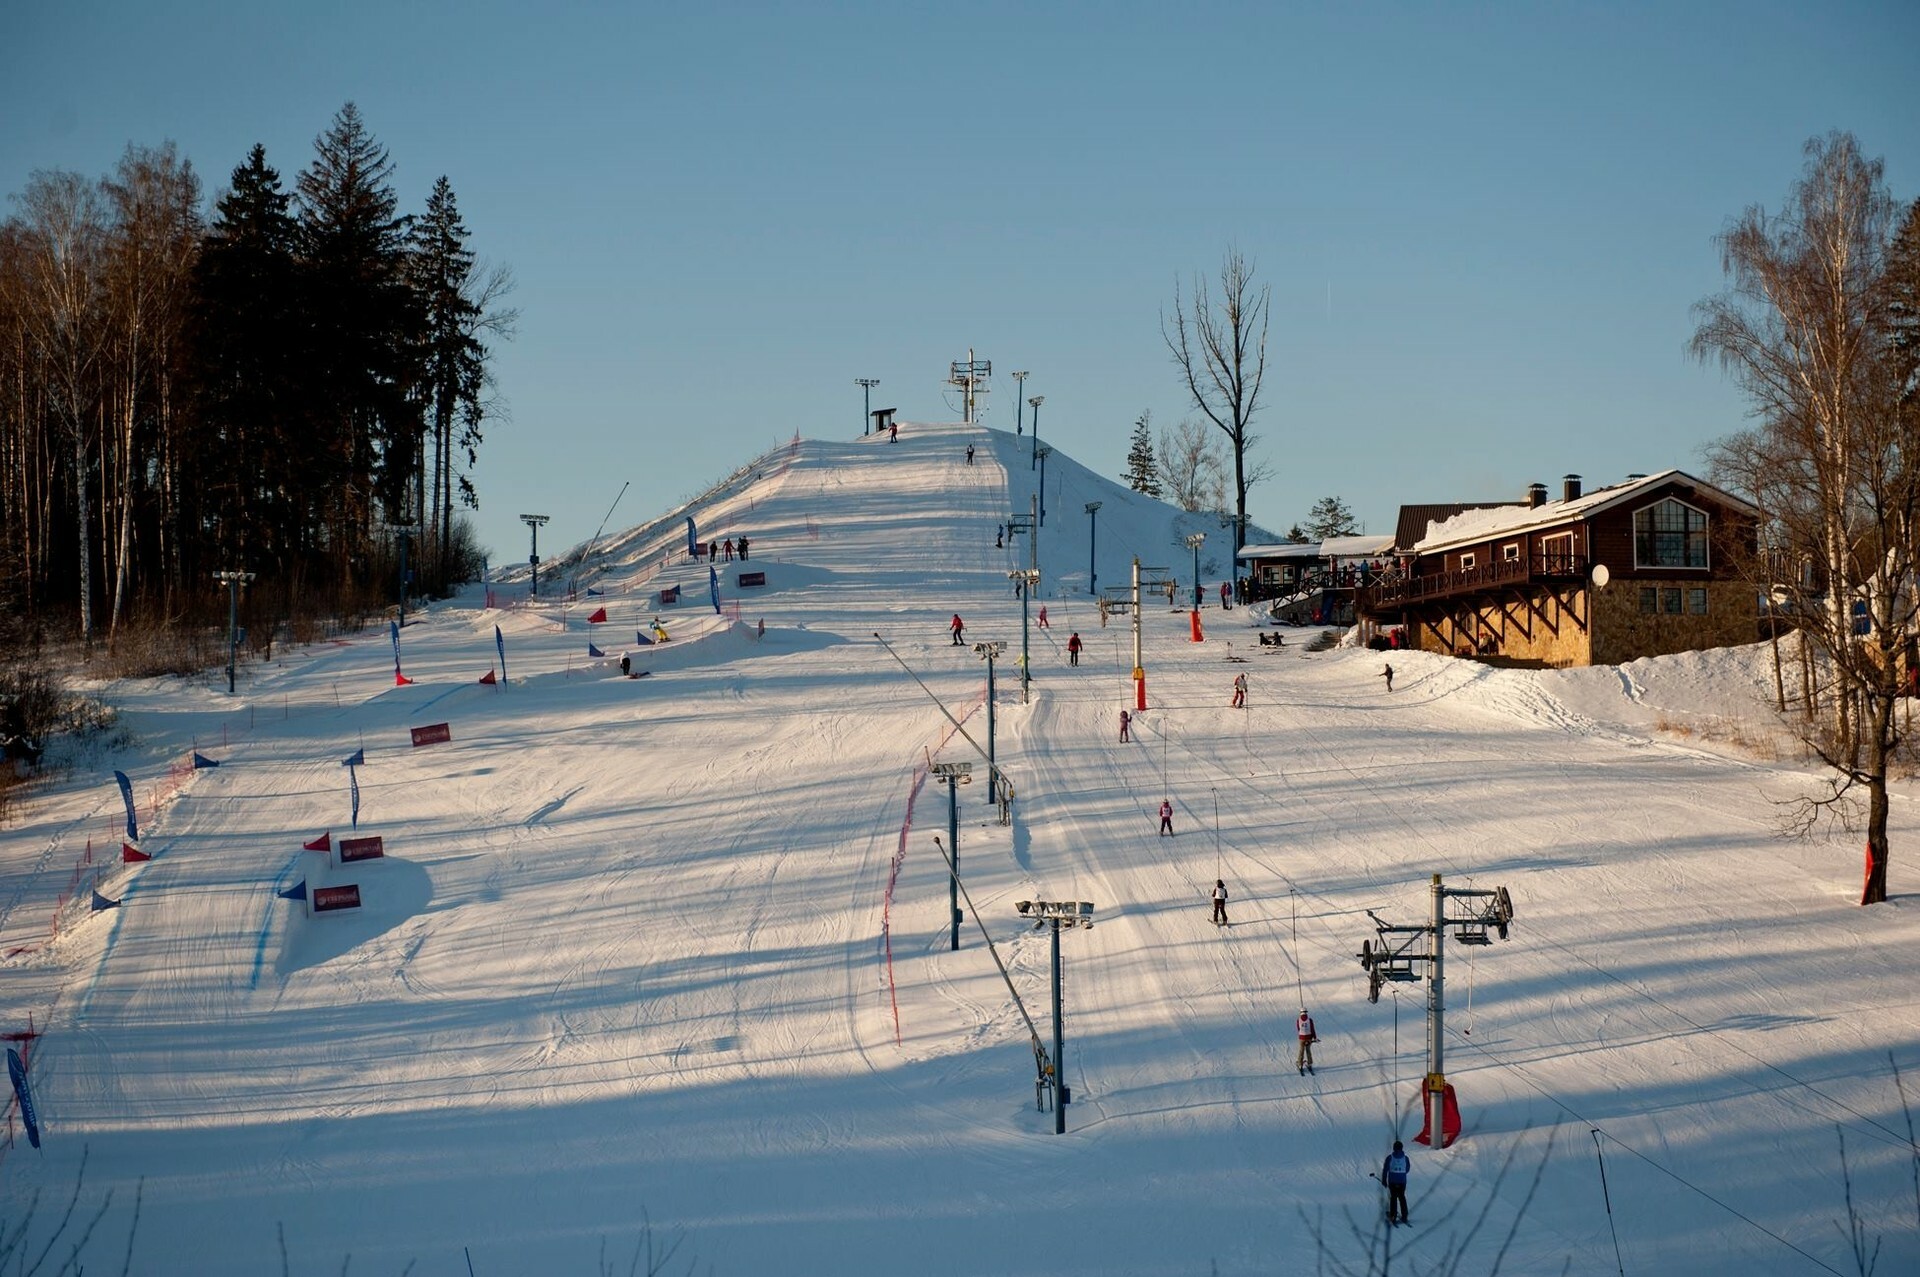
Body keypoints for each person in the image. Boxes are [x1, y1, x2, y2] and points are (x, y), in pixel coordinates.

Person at [1382, 1141, 1411, 1224]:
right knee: (1402, 1197)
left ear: (1394, 1148)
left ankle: (1393, 1216)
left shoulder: (1390, 1158)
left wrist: (1384, 1180)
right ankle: (1404, 1215)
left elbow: (1385, 1169)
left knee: (1393, 1197)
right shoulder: (1405, 1158)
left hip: (1392, 1181)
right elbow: (1407, 1169)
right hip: (1402, 1181)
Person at [1296, 1009, 1318, 1074]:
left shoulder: (1298, 1020)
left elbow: (1298, 1029)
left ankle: (1300, 1064)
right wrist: (1314, 1037)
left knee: (1301, 1050)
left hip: (1302, 1037)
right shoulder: (1310, 1020)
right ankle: (1309, 1063)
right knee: (1308, 1050)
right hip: (1309, 1037)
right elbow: (1312, 1029)